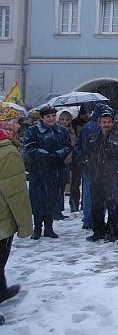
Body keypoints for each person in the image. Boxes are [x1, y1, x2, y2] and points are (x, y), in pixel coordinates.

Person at [0, 105, 33, 322]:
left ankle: (1, 290)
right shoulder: (7, 152)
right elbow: (16, 194)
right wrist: (25, 225)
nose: (19, 128)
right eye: (15, 124)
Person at [23, 106, 72, 239]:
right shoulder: (33, 131)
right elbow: (29, 148)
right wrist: (45, 156)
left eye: (53, 116)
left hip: (55, 170)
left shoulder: (61, 130)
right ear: (42, 118)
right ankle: (37, 227)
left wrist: (58, 154)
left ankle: (49, 227)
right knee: (38, 200)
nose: (51, 119)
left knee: (52, 199)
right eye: (48, 117)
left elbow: (68, 146)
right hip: (38, 170)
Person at [82, 107, 118, 242]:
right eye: (104, 122)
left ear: (112, 123)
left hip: (109, 177)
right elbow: (86, 154)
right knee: (96, 206)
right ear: (99, 122)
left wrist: (113, 166)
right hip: (95, 176)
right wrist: (88, 164)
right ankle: (98, 231)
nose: (106, 124)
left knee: (112, 206)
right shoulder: (93, 138)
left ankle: (113, 232)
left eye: (109, 122)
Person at [74, 103, 111, 229]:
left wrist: (83, 160)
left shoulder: (86, 126)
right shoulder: (98, 128)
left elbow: (78, 145)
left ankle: (87, 218)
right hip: (97, 166)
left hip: (88, 165)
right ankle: (96, 219)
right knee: (99, 194)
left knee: (87, 193)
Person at [55, 109, 75, 219]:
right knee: (58, 186)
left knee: (63, 185)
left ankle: (59, 209)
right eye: (62, 119)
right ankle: (56, 210)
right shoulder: (57, 131)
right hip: (60, 160)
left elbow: (74, 143)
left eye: (67, 119)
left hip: (70, 160)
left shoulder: (71, 130)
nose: (65, 121)